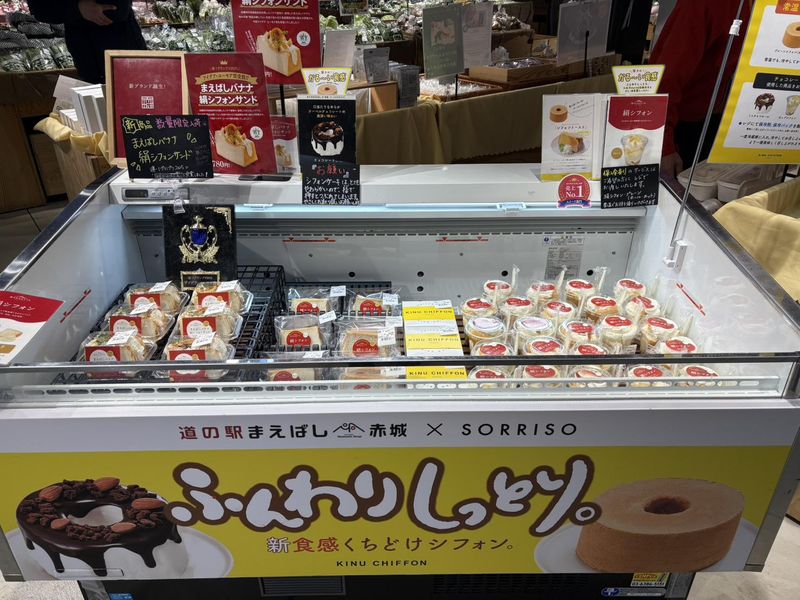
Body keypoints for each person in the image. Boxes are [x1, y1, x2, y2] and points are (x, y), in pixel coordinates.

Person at [650, 0, 754, 177]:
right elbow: (667, 78)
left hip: (736, 126)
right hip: (687, 127)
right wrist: (664, 145)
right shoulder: (704, 4)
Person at [28, 0, 146, 84]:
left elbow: (117, 9)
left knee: (137, 100)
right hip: (85, 55)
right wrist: (78, 7)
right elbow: (39, 9)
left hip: (124, 52)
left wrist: (76, 9)